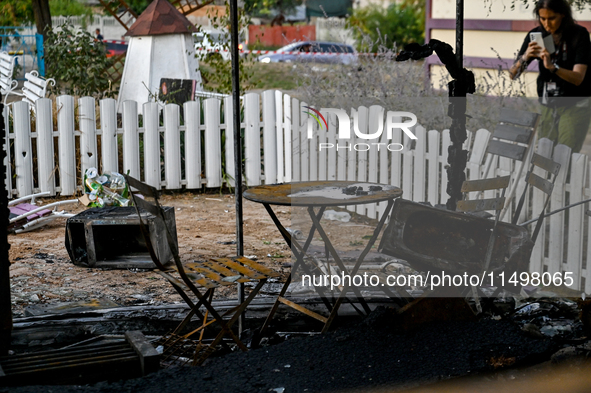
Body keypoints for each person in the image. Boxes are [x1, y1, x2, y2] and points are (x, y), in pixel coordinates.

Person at [509, 0, 591, 153]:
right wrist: (525, 57)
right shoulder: (537, 35)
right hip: (548, 102)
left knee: (565, 154)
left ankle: (565, 178)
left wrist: (553, 68)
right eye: (542, 18)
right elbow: (512, 74)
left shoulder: (579, 35)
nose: (547, 24)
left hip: (574, 103)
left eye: (552, 18)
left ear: (563, 15)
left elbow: (578, 78)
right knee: (545, 154)